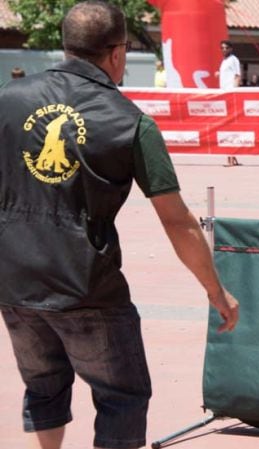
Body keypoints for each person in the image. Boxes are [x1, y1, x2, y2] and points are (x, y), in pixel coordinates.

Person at [0, 2, 239, 449]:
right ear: (116, 53)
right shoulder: (131, 122)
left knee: (43, 387)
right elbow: (177, 221)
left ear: (67, 46)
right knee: (123, 396)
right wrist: (215, 290)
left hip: (14, 281)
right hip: (86, 285)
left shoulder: (6, 101)